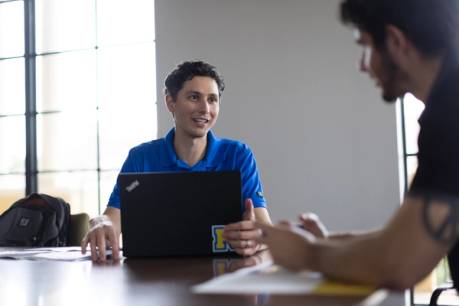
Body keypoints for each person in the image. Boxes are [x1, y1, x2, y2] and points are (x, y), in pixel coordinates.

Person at [257, 0, 459, 290]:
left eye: (366, 46)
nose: (363, 65)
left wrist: (307, 254)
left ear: (396, 42)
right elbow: (408, 237)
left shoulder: (449, 113)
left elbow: (398, 264)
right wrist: (324, 243)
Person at [81, 60, 272, 262]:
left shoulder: (238, 155)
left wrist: (256, 238)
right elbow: (113, 218)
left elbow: (265, 230)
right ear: (170, 102)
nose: (205, 108)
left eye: (212, 99)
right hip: (153, 278)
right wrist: (102, 222)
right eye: (194, 97)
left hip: (223, 276)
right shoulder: (141, 157)